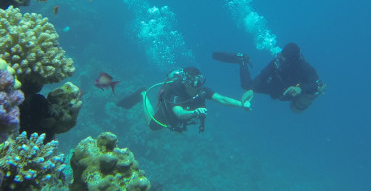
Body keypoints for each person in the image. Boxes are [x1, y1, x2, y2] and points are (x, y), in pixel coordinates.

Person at [116, 67, 251, 132]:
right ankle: (143, 94)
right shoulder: (177, 91)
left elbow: (222, 99)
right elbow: (179, 113)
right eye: (196, 80)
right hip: (170, 112)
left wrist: (241, 104)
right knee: (152, 126)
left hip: (183, 115)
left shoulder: (201, 90)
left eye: (200, 80)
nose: (199, 84)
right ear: (189, 81)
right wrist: (194, 112)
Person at [213, 43, 324, 113]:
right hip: (275, 87)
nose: (279, 60)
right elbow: (263, 76)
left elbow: (317, 84)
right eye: (280, 56)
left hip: (285, 91)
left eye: (283, 59)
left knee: (301, 105)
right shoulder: (276, 62)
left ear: (293, 61)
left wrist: (300, 89)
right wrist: (252, 89)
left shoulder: (304, 68)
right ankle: (242, 60)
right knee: (246, 85)